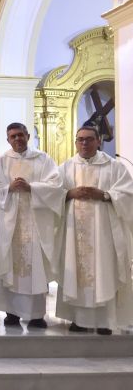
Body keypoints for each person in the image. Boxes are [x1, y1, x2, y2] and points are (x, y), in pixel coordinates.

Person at [0, 122, 65, 328]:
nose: (17, 139)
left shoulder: (43, 159)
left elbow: (56, 186)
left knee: (35, 266)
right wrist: (8, 188)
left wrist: (32, 188)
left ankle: (37, 315)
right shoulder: (2, 161)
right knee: (10, 264)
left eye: (21, 135)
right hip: (10, 223)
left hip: (35, 222)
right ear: (7, 139)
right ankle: (11, 313)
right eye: (13, 136)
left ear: (28, 136)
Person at [56, 126, 133, 335]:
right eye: (80, 140)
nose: (84, 144)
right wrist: (69, 193)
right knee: (77, 270)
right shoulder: (66, 167)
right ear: (75, 143)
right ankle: (79, 320)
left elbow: (128, 193)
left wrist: (106, 195)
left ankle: (106, 321)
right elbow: (53, 193)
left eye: (89, 140)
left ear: (99, 141)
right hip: (75, 232)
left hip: (103, 233)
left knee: (103, 270)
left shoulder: (114, 167)